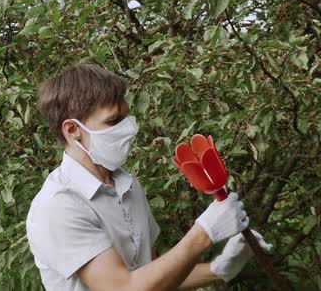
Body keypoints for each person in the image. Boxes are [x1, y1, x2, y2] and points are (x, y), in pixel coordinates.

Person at [26, 64, 272, 290]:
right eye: (114, 121)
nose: (128, 128)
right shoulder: (58, 206)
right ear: (72, 130)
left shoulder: (127, 184)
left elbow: (153, 276)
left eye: (125, 116)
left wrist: (219, 269)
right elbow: (124, 288)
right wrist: (204, 232)